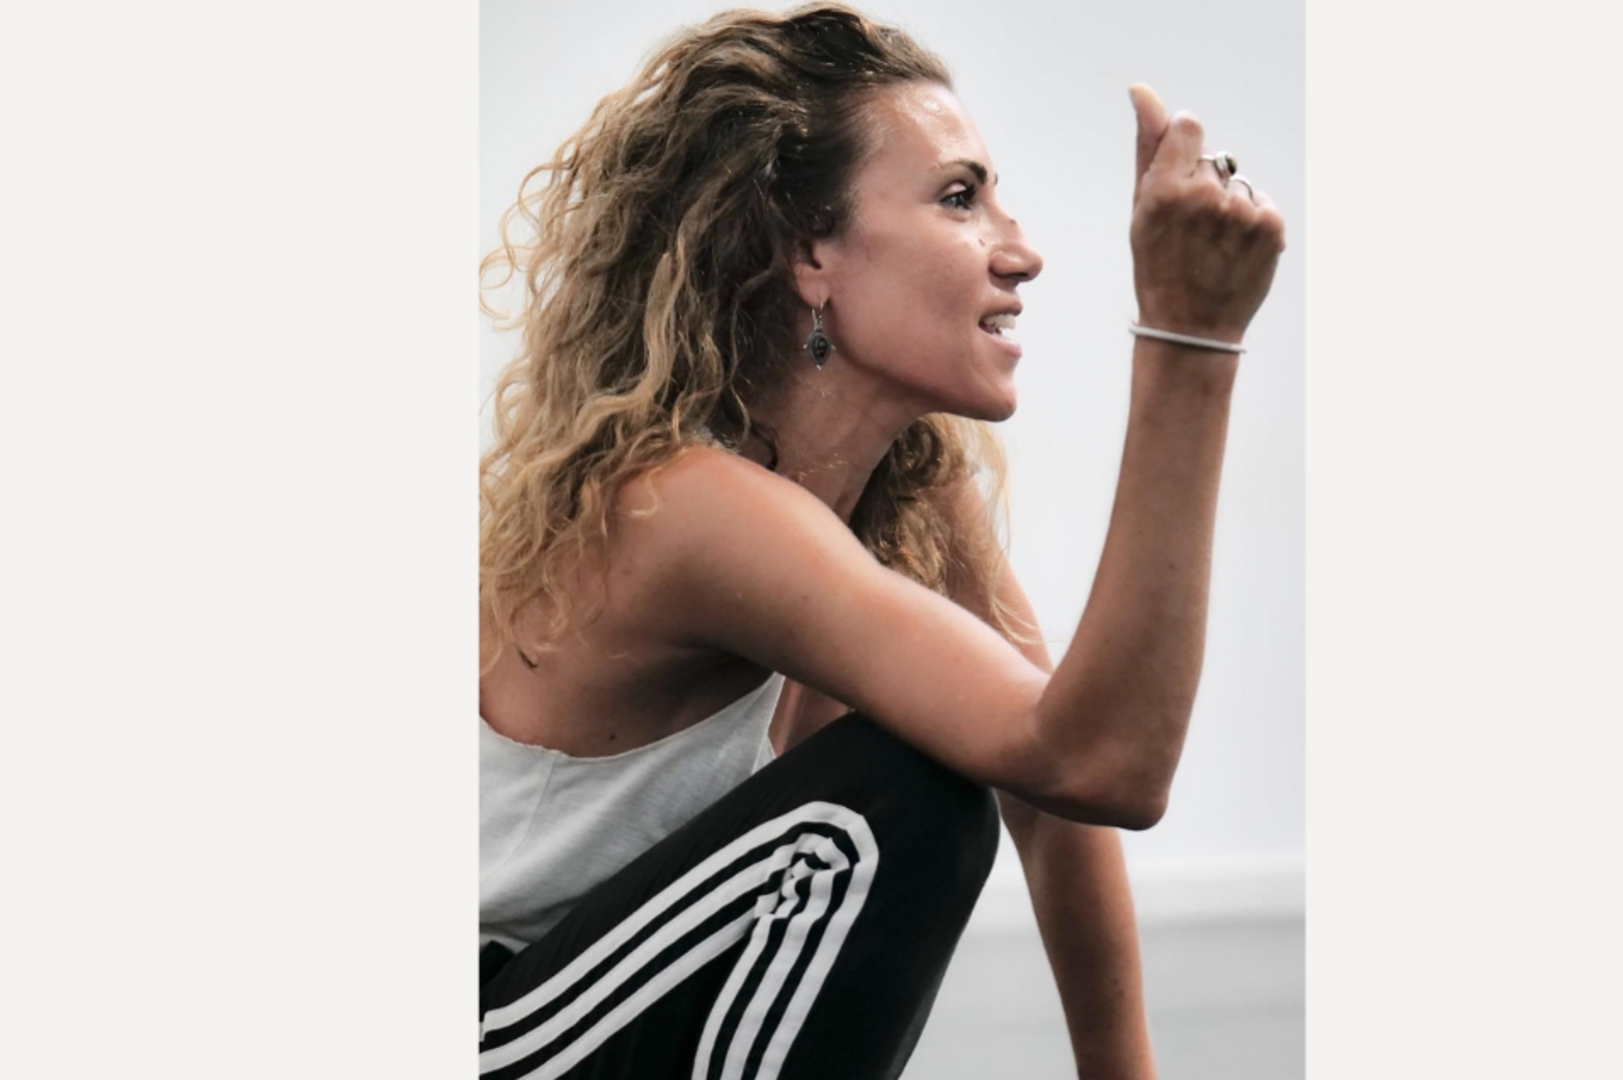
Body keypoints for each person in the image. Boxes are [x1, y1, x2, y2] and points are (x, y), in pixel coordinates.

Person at [476, 3, 1285, 1077]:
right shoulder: (687, 506)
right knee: (896, 799)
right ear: (811, 252)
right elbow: (1102, 763)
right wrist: (1192, 335)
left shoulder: (907, 492)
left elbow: (1058, 804)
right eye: (961, 198)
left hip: (598, 1020)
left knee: (935, 780)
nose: (1023, 251)